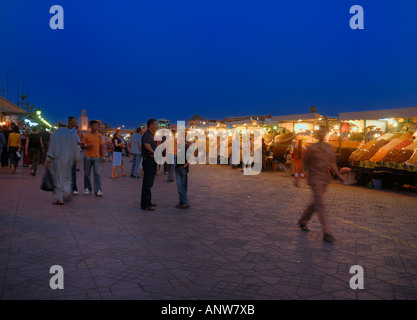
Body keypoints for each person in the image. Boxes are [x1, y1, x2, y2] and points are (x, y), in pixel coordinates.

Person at [296, 126, 348, 243]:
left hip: (324, 179)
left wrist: (340, 177)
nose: (322, 134)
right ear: (317, 134)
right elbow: (304, 163)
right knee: (321, 204)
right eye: (320, 132)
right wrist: (297, 178)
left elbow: (332, 164)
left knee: (316, 202)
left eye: (323, 132)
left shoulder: (329, 148)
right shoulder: (312, 149)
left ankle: (303, 220)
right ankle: (327, 231)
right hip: (314, 179)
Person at [45, 118, 79, 205]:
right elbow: (74, 148)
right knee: (67, 177)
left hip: (57, 159)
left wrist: (48, 160)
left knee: (57, 178)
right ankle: (64, 193)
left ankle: (59, 198)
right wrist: (75, 157)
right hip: (68, 159)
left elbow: (51, 147)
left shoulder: (55, 133)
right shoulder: (71, 134)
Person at [81, 120, 105, 196]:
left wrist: (103, 156)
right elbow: (82, 146)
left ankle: (98, 190)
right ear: (90, 126)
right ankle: (87, 188)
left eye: (97, 126)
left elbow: (101, 146)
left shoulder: (100, 135)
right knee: (87, 174)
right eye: (95, 125)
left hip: (97, 157)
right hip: (87, 157)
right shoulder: (86, 135)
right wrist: (87, 146)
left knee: (97, 174)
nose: (96, 127)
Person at [140, 119, 158, 211]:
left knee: (150, 182)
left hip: (152, 161)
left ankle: (148, 201)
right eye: (156, 125)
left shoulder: (151, 135)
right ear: (151, 125)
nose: (157, 126)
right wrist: (154, 152)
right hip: (148, 161)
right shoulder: (147, 134)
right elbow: (146, 145)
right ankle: (145, 204)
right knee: (147, 182)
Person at [175, 141, 190, 209]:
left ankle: (185, 202)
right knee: (181, 186)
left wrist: (184, 166)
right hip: (178, 168)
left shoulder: (186, 147)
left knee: (181, 186)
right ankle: (182, 201)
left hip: (182, 168)